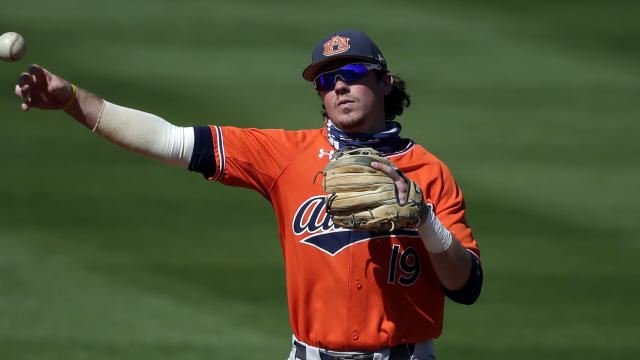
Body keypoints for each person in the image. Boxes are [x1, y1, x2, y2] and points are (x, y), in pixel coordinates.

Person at [14, 30, 482, 360]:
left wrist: (424, 219)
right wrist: (73, 100)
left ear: (385, 82)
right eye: (325, 79)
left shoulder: (429, 171)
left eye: (354, 71)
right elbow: (169, 140)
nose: (338, 84)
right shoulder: (286, 155)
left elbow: (466, 287)